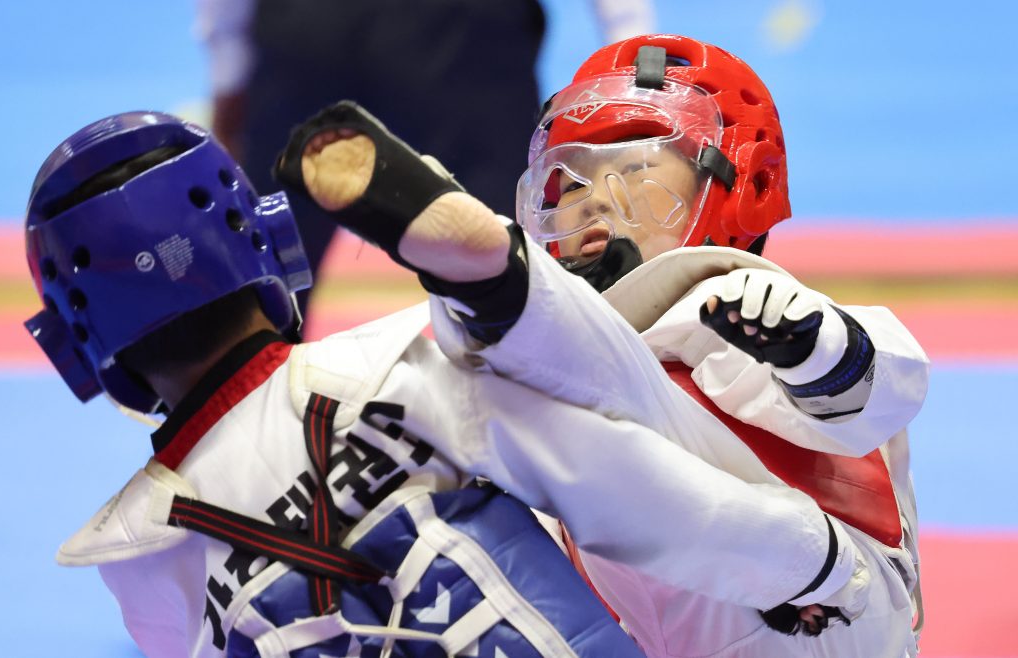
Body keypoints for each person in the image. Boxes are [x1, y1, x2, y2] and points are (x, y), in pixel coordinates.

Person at [271, 38, 928, 657]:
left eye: (633, 170)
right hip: (659, 623)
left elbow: (882, 389)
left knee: (558, 395)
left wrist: (823, 351)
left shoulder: (737, 309)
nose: (590, 204)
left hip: (830, 607)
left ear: (741, 186)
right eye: (570, 183)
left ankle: (475, 270)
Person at [196, 0, 656, 318]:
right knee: (510, 262)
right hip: (454, 35)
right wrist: (633, 42)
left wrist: (229, 65)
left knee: (264, 270)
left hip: (325, 32)